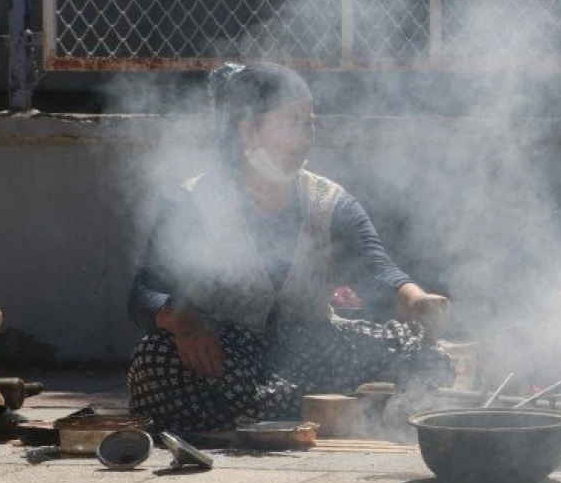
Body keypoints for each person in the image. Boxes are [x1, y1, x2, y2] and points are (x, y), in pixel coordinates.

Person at [126, 62, 453, 432]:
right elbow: (143, 292)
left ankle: (272, 412)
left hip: (312, 350)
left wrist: (413, 298)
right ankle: (322, 410)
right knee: (154, 359)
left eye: (309, 123)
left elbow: (377, 270)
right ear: (248, 130)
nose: (304, 136)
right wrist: (183, 322)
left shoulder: (329, 203)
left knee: (426, 357)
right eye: (290, 123)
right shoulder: (194, 201)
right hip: (226, 353)